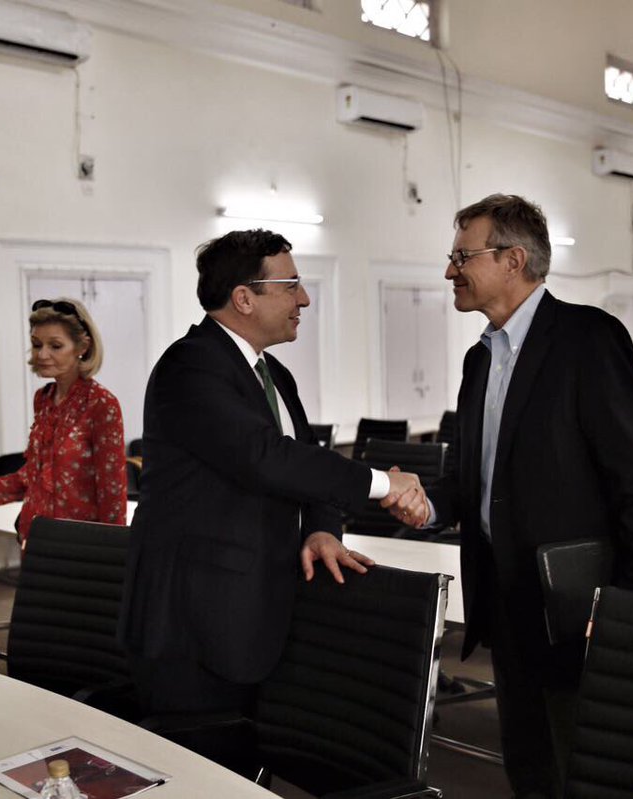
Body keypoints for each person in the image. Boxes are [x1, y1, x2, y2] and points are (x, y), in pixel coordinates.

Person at [118, 229, 427, 771]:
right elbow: (263, 457)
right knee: (197, 771)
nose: (303, 299)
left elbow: (304, 463)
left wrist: (323, 527)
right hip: (193, 622)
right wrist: (383, 484)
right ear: (244, 298)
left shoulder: (273, 373)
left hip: (259, 611)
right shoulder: (190, 366)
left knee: (245, 764)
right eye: (291, 286)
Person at [401, 194, 633, 798]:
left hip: (579, 608)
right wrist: (429, 504)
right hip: (507, 601)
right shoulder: (481, 359)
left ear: (512, 260)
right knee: (528, 768)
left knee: (588, 772)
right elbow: (476, 480)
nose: (450, 271)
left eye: (461, 256)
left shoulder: (588, 339)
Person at [0, 297, 127, 544]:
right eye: (36, 344)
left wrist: (112, 553)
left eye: (55, 346)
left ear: (82, 347)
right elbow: (32, 477)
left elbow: (112, 491)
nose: (42, 354)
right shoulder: (43, 399)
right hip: (35, 536)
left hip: (80, 544)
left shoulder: (101, 403)